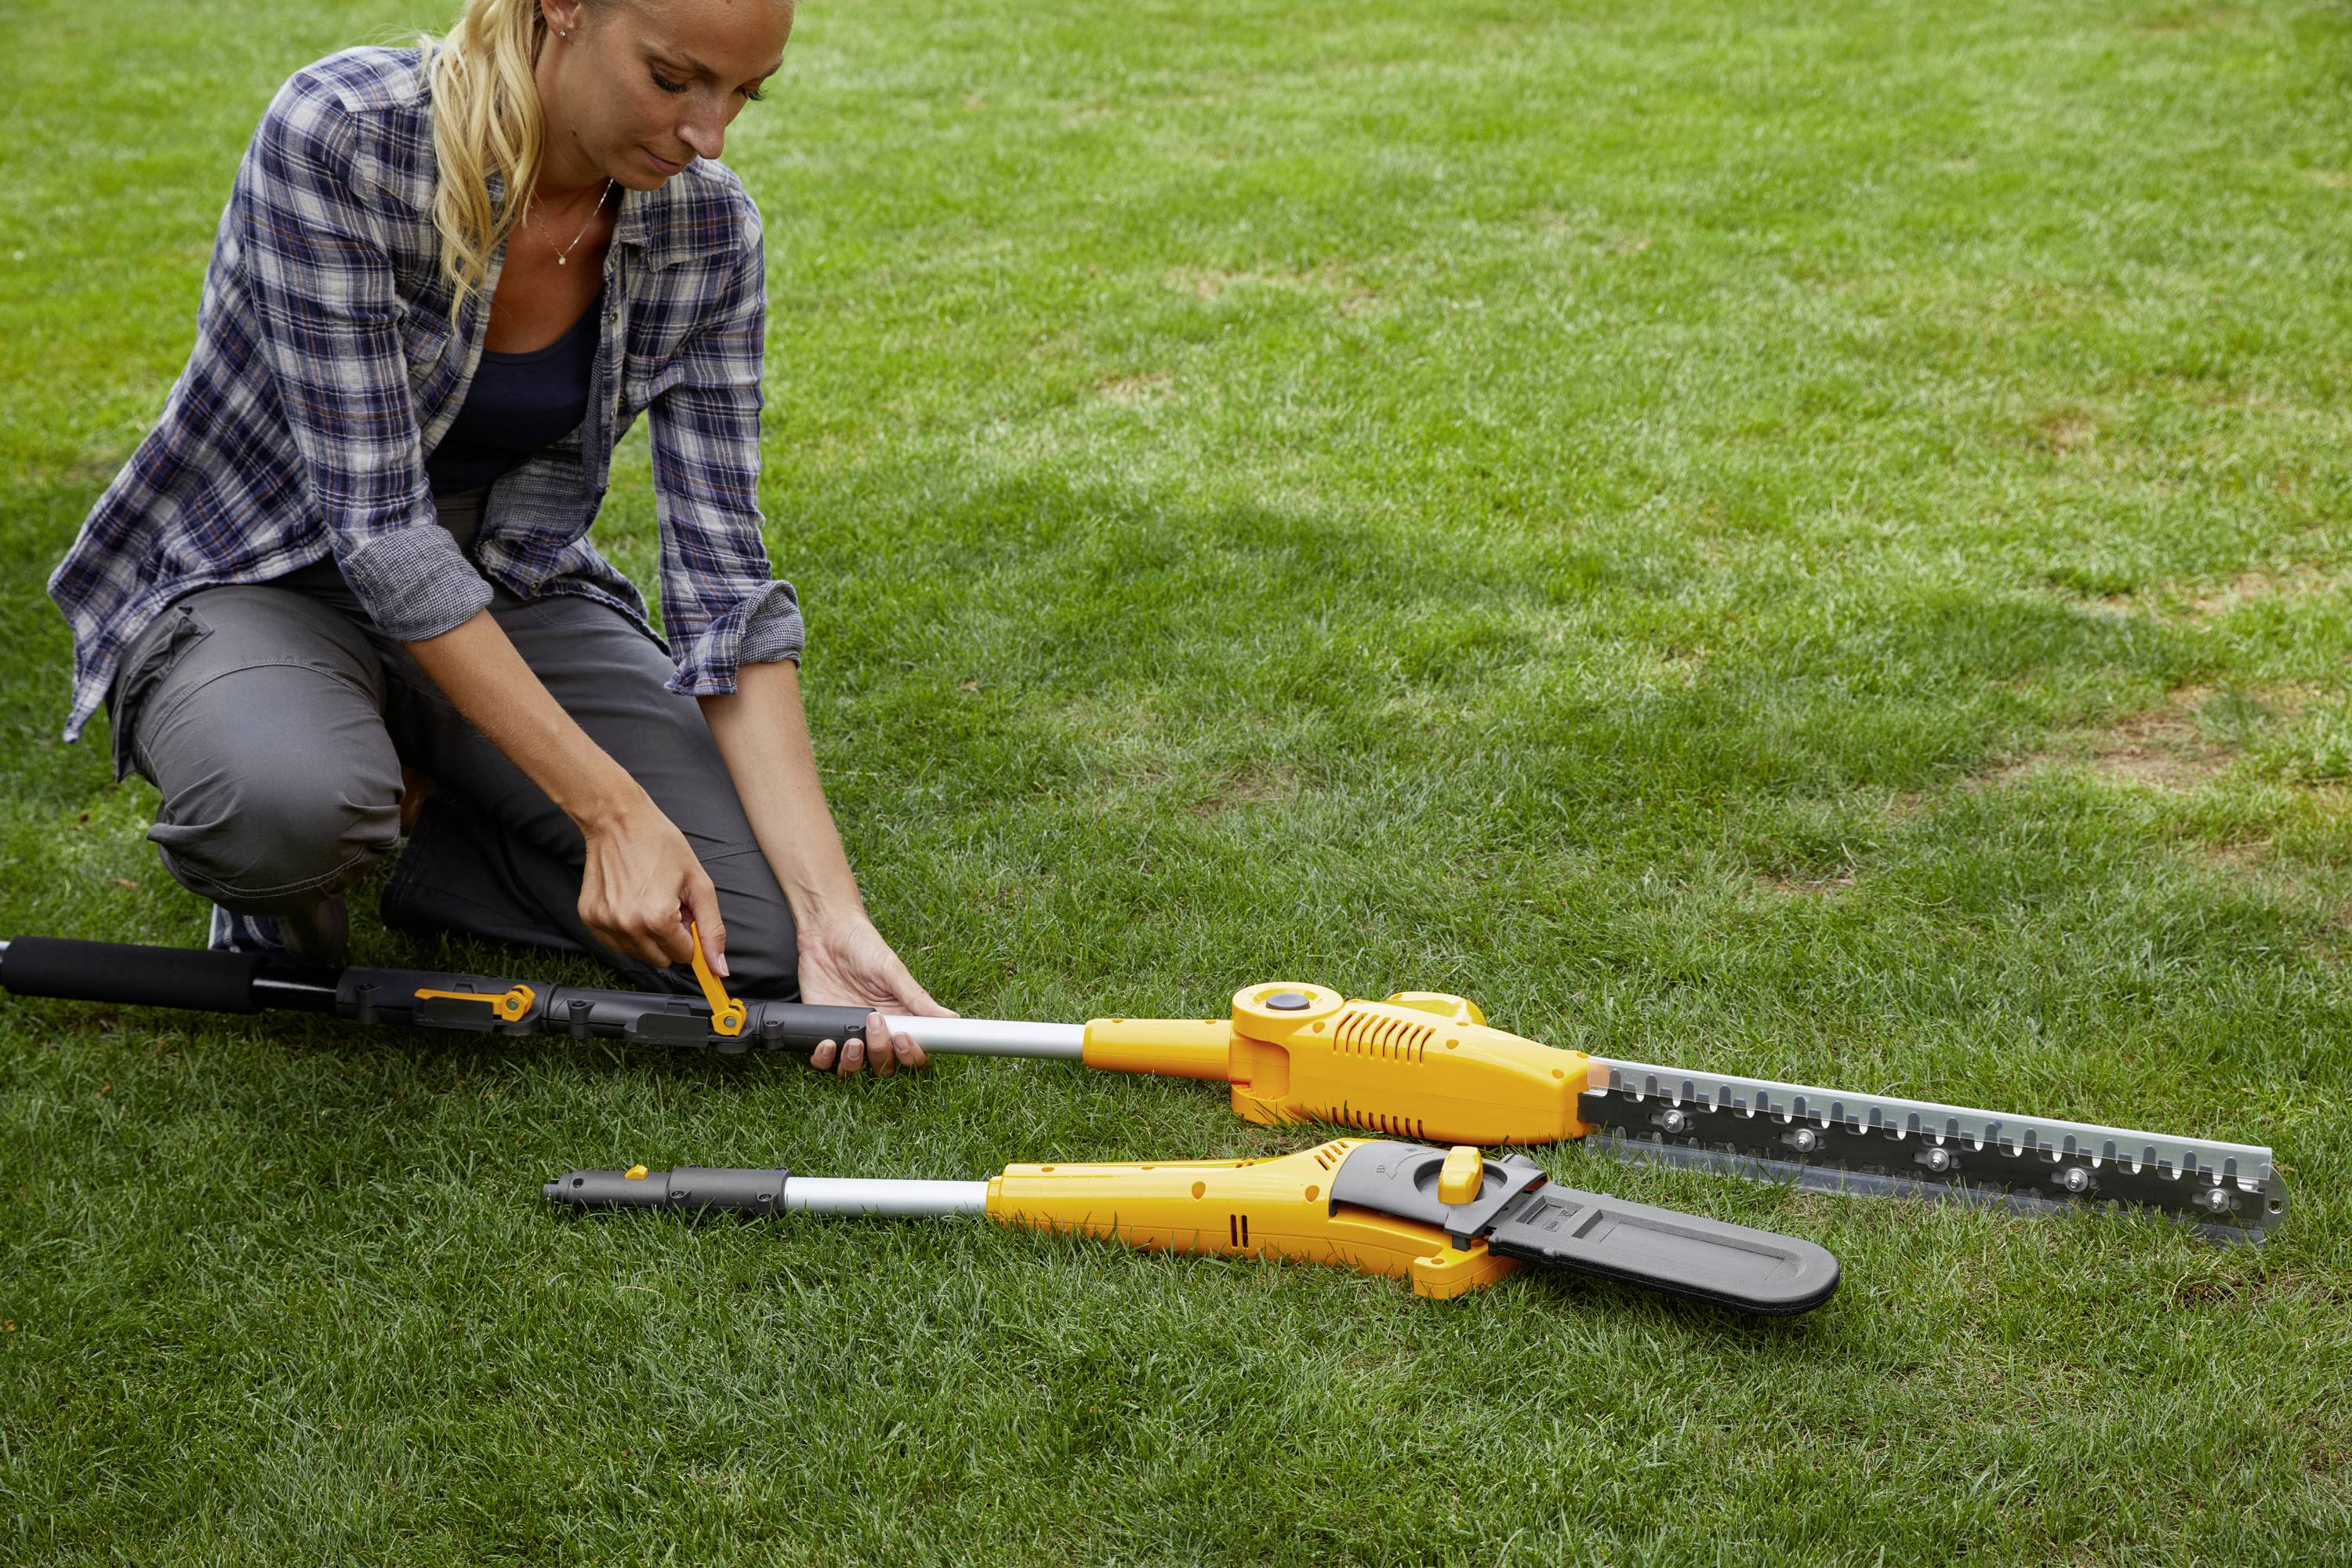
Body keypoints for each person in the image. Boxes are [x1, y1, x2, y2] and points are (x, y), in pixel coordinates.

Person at [45, 0, 945, 1074]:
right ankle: (299, 861)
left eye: (745, 94)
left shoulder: (708, 231)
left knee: (749, 938)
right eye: (674, 79)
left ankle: (427, 828)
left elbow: (725, 586)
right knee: (287, 808)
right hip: (264, 570)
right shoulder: (344, 137)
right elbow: (379, 536)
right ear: (561, 9)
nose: (711, 136)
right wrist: (610, 813)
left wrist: (829, 913)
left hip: (511, 577)